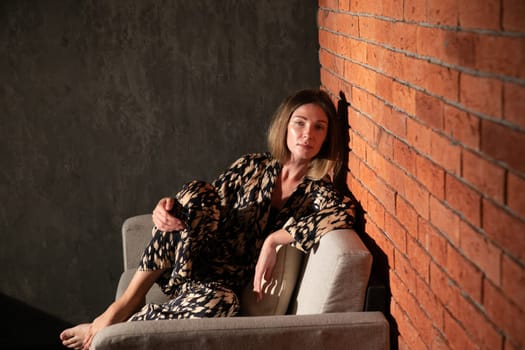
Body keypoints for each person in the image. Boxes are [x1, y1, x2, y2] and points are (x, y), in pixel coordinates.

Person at [60, 89, 356, 350]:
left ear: (326, 138)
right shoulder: (252, 165)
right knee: (197, 191)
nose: (308, 134)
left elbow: (344, 212)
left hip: (220, 287)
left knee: (222, 304)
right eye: (300, 123)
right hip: (190, 261)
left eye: (319, 127)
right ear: (285, 128)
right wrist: (165, 208)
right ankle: (125, 303)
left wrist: (273, 239)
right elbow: (205, 205)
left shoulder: (318, 191)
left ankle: (125, 326)